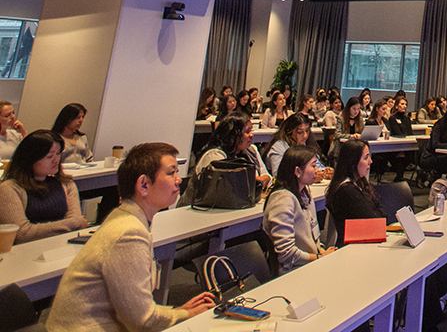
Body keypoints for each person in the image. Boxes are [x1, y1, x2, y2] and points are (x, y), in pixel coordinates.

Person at [46, 142, 215, 331]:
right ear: (144, 184)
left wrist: (177, 312)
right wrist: (183, 314)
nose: (179, 180)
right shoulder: (129, 232)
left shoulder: (125, 217)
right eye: (171, 173)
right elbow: (142, 321)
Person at [326, 140, 447, 331]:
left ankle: (434, 310)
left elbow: (379, 214)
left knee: (426, 256)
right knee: (420, 261)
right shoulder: (346, 190)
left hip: (370, 242)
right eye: (366, 158)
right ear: (352, 162)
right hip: (360, 252)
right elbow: (376, 217)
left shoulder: (357, 184)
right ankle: (431, 315)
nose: (370, 162)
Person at [0, 129, 88, 242]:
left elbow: (76, 225)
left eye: (58, 154)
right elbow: (22, 233)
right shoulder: (10, 188)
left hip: (61, 246)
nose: (56, 160)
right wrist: (73, 223)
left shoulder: (67, 185)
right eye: (49, 156)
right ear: (30, 158)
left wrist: (74, 223)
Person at [262, 146, 333, 273]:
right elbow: (287, 255)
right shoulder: (282, 199)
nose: (317, 171)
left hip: (309, 265)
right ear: (297, 171)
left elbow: (313, 238)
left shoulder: (305, 193)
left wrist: (323, 252)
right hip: (292, 272)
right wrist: (320, 257)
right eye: (313, 166)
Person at [189, 112, 272, 199]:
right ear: (233, 134)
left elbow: (267, 175)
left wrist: (264, 179)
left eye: (251, 130)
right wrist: (255, 181)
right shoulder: (214, 156)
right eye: (247, 131)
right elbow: (227, 189)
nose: (251, 135)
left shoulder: (251, 151)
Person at [266, 113, 331, 180]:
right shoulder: (279, 147)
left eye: (307, 131)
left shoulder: (305, 144)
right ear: (289, 132)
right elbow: (278, 174)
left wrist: (325, 172)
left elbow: (317, 166)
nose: (305, 135)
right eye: (300, 132)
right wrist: (307, 176)